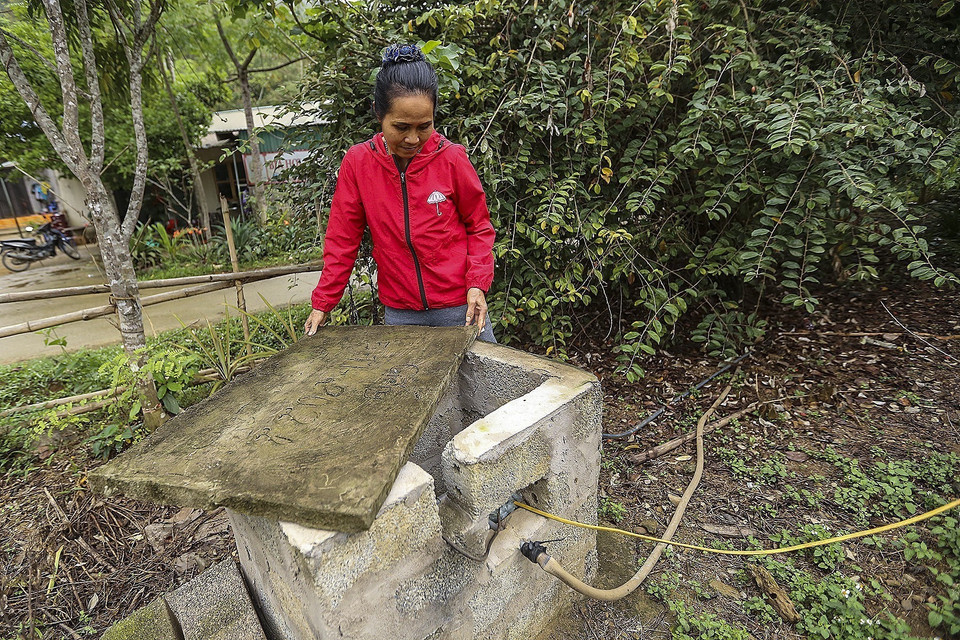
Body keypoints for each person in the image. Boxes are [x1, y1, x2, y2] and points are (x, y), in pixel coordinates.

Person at [304, 43, 496, 341]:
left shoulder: (452, 158)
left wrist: (477, 284)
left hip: (462, 308)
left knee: (484, 386)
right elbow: (342, 239)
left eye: (424, 126)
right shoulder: (358, 163)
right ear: (378, 114)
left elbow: (479, 226)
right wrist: (323, 303)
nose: (412, 138)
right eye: (401, 126)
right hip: (401, 313)